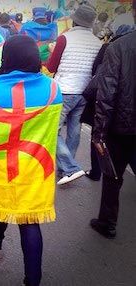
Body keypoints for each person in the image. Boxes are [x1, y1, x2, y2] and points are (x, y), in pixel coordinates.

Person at [0, 35, 62, 286]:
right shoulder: (52, 88)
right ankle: (33, 280)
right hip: (35, 168)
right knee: (29, 221)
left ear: (7, 57)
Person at [89, 0, 136, 239]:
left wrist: (98, 133)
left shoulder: (118, 47)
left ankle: (107, 223)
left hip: (123, 124)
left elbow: (106, 92)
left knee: (113, 175)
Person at [46, 4, 101, 185]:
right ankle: (65, 171)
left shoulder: (64, 39)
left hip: (64, 91)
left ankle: (70, 168)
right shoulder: (97, 42)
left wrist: (52, 52)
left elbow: (51, 67)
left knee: (51, 131)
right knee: (74, 131)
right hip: (85, 92)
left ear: (74, 19)